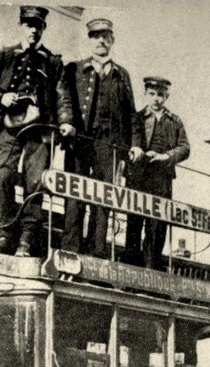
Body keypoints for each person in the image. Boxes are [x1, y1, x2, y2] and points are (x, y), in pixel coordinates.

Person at [0, 5, 75, 257]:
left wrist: (66, 121)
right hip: (8, 127)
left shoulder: (52, 61)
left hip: (40, 130)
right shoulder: (6, 55)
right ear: (21, 26)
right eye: (29, 25)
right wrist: (1, 95)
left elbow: (62, 94)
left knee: (36, 184)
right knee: (3, 177)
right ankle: (5, 235)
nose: (33, 30)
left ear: (43, 29)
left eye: (38, 26)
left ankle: (26, 241)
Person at [62, 18, 142, 258]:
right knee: (74, 194)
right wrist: (66, 123)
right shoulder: (74, 69)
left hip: (109, 145)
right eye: (96, 36)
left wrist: (136, 144)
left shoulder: (122, 75)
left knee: (102, 198)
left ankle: (95, 253)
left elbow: (131, 114)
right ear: (90, 40)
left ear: (112, 41)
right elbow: (64, 99)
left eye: (105, 37)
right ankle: (70, 250)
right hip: (80, 141)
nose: (101, 41)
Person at [124, 77, 190, 269]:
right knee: (134, 223)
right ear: (146, 94)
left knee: (157, 227)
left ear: (166, 96)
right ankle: (129, 271)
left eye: (160, 95)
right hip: (138, 177)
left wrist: (166, 157)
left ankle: (151, 271)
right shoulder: (137, 117)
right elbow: (129, 141)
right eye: (152, 94)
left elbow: (185, 148)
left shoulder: (175, 121)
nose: (156, 99)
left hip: (162, 179)